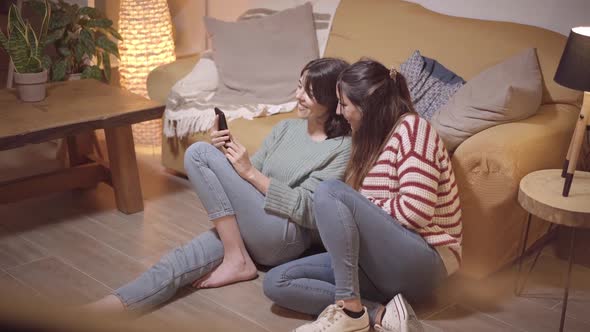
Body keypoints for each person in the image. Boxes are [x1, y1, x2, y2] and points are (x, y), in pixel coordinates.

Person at [88, 58, 351, 313]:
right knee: (184, 257)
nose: (298, 95)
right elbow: (246, 177)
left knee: (198, 153)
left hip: (286, 235)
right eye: (298, 86)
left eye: (309, 92)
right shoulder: (285, 129)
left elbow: (309, 210)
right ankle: (114, 305)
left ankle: (236, 258)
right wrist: (227, 155)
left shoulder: (342, 148)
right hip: (252, 223)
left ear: (331, 100)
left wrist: (248, 172)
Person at [263, 59, 463, 332]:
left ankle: (349, 312)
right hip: (380, 264)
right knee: (278, 281)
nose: (338, 111)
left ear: (366, 107)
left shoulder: (413, 130)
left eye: (343, 104)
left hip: (427, 261)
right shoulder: (368, 142)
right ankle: (375, 313)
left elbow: (416, 212)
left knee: (331, 192)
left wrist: (357, 207)